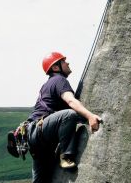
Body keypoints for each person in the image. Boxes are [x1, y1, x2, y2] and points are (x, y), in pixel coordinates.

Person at [27, 51, 102, 183]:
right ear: (56, 67)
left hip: (35, 138)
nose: (67, 63)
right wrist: (90, 116)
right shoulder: (59, 80)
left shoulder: (48, 84)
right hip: (40, 130)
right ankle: (66, 156)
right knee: (69, 115)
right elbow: (71, 102)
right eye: (63, 61)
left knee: (42, 179)